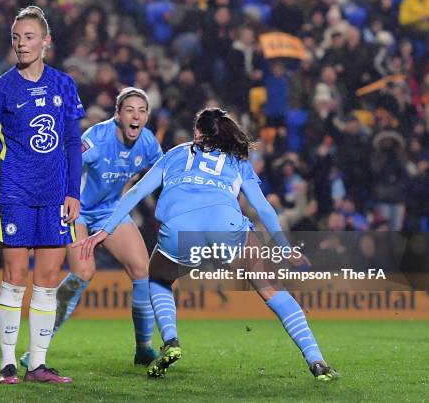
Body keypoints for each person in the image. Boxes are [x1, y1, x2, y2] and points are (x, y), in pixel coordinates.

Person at [73, 108, 339, 381]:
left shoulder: (176, 153)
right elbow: (264, 208)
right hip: (226, 227)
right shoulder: (236, 160)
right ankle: (316, 360)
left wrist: (105, 230)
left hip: (180, 229)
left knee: (158, 279)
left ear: (197, 132)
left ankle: (171, 340)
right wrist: (284, 247)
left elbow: (138, 191)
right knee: (274, 292)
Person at [0, 6, 85, 385]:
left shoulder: (64, 83)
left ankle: (37, 364)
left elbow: (71, 143)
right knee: (15, 277)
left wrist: (73, 193)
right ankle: (6, 363)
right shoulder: (0, 88)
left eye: (29, 37)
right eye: (16, 38)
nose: (21, 44)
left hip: (54, 197)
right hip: (14, 192)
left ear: (46, 41)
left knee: (48, 280)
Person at [20, 87, 162, 368]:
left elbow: (164, 175)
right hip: (76, 210)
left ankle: (143, 348)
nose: (136, 116)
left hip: (110, 211)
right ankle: (37, 348)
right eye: (130, 110)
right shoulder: (96, 138)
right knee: (84, 272)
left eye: (142, 111)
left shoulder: (147, 143)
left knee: (143, 272)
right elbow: (62, 166)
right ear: (118, 114)